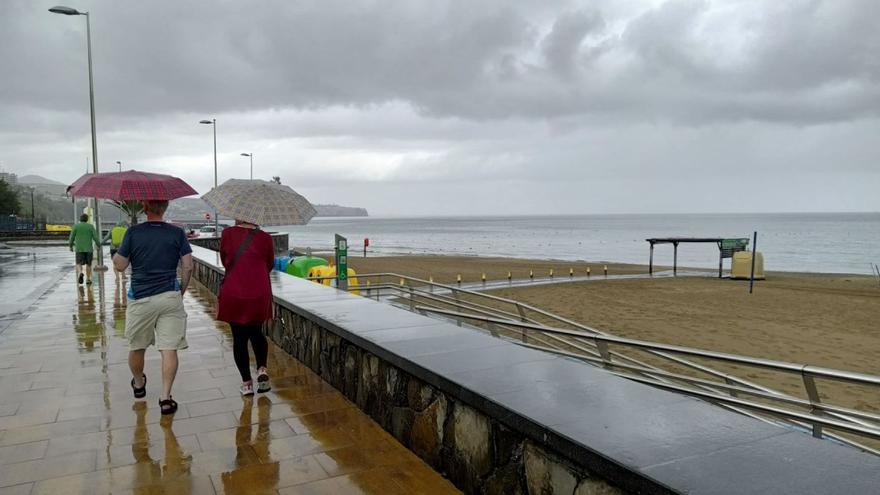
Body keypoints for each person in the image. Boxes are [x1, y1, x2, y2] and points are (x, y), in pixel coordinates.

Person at [113, 200, 193, 415]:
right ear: (165, 207)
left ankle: (139, 383)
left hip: (141, 298)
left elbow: (120, 265)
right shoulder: (177, 233)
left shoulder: (133, 233)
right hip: (169, 296)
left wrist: (115, 253)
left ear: (144, 208)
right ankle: (165, 397)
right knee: (169, 348)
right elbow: (187, 266)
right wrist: (181, 291)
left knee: (137, 346)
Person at [217, 219, 274, 396]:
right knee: (256, 332)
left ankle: (247, 384)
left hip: (235, 291)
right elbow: (269, 264)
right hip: (259, 292)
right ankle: (262, 370)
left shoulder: (227, 234)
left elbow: (226, 261)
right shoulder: (266, 238)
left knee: (239, 338)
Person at [68, 213, 101, 285]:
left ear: (80, 219)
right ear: (87, 219)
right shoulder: (90, 226)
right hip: (89, 249)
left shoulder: (76, 226)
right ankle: (88, 279)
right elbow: (95, 237)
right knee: (89, 264)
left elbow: (71, 238)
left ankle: (80, 273)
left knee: (78, 263)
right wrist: (98, 245)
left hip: (79, 248)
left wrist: (70, 246)